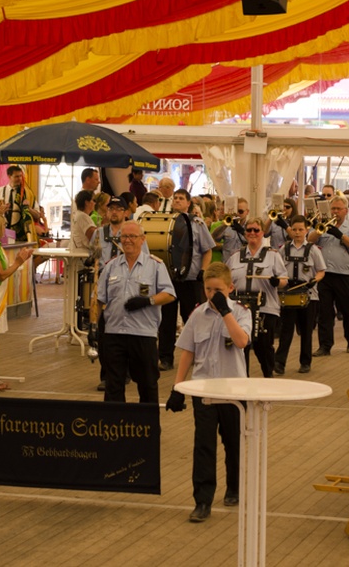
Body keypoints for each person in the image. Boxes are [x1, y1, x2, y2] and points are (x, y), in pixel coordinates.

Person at [165, 262, 251, 523]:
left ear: (230, 288)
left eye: (218, 290)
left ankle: (234, 487)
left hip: (233, 391)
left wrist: (225, 312)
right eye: (209, 290)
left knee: (233, 442)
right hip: (203, 389)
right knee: (203, 445)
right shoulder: (197, 315)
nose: (213, 295)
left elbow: (241, 341)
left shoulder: (242, 312)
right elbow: (188, 352)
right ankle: (202, 500)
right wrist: (178, 387)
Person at [96, 221, 175, 403]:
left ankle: (147, 421)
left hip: (143, 334)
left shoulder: (155, 265)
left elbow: (169, 294)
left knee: (147, 384)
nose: (127, 240)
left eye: (132, 236)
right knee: (113, 386)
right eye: (124, 236)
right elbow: (99, 300)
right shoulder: (111, 266)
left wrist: (148, 301)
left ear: (142, 239)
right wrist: (94, 328)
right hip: (114, 333)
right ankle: (114, 421)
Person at [158, 189, 216, 372]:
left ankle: (197, 354)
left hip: (191, 279)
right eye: (175, 198)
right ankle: (165, 358)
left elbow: (207, 250)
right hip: (169, 279)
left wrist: (203, 271)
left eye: (181, 198)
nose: (177, 200)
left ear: (188, 203)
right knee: (166, 321)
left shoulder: (197, 223)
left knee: (192, 318)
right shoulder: (166, 222)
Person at [0, 213, 33, 391]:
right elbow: (1, 274)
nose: (4, 228)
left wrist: (21, 260)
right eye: (2, 225)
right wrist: (18, 262)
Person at [228, 216, 287, 377]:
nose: (252, 233)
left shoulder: (273, 255)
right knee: (242, 347)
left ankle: (268, 377)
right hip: (240, 308)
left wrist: (277, 282)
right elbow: (226, 280)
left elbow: (284, 279)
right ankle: (243, 380)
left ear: (262, 232)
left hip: (265, 308)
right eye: (249, 230)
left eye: (256, 230)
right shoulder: (235, 256)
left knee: (264, 347)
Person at [310, 195, 349, 355]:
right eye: (333, 208)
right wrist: (319, 231)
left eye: (338, 209)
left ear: (346, 211)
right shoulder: (324, 225)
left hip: (345, 274)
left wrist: (340, 235)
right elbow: (310, 240)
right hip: (325, 275)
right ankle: (325, 345)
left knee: (348, 311)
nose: (335, 212)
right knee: (325, 312)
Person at [274, 215, 325, 375]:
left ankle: (305, 362)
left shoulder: (313, 250)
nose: (297, 233)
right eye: (294, 229)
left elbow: (321, 271)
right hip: (288, 294)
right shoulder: (284, 249)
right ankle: (279, 362)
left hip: (309, 295)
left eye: (300, 229)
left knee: (306, 331)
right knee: (286, 330)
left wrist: (314, 280)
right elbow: (278, 269)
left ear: (306, 230)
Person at [0, 165, 43, 242]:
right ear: (9, 176)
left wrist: (28, 209)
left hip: (24, 236)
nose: (19, 179)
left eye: (20, 176)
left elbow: (37, 216)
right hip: (3, 233)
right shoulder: (0, 191)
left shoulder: (28, 193)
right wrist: (0, 211)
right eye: (16, 176)